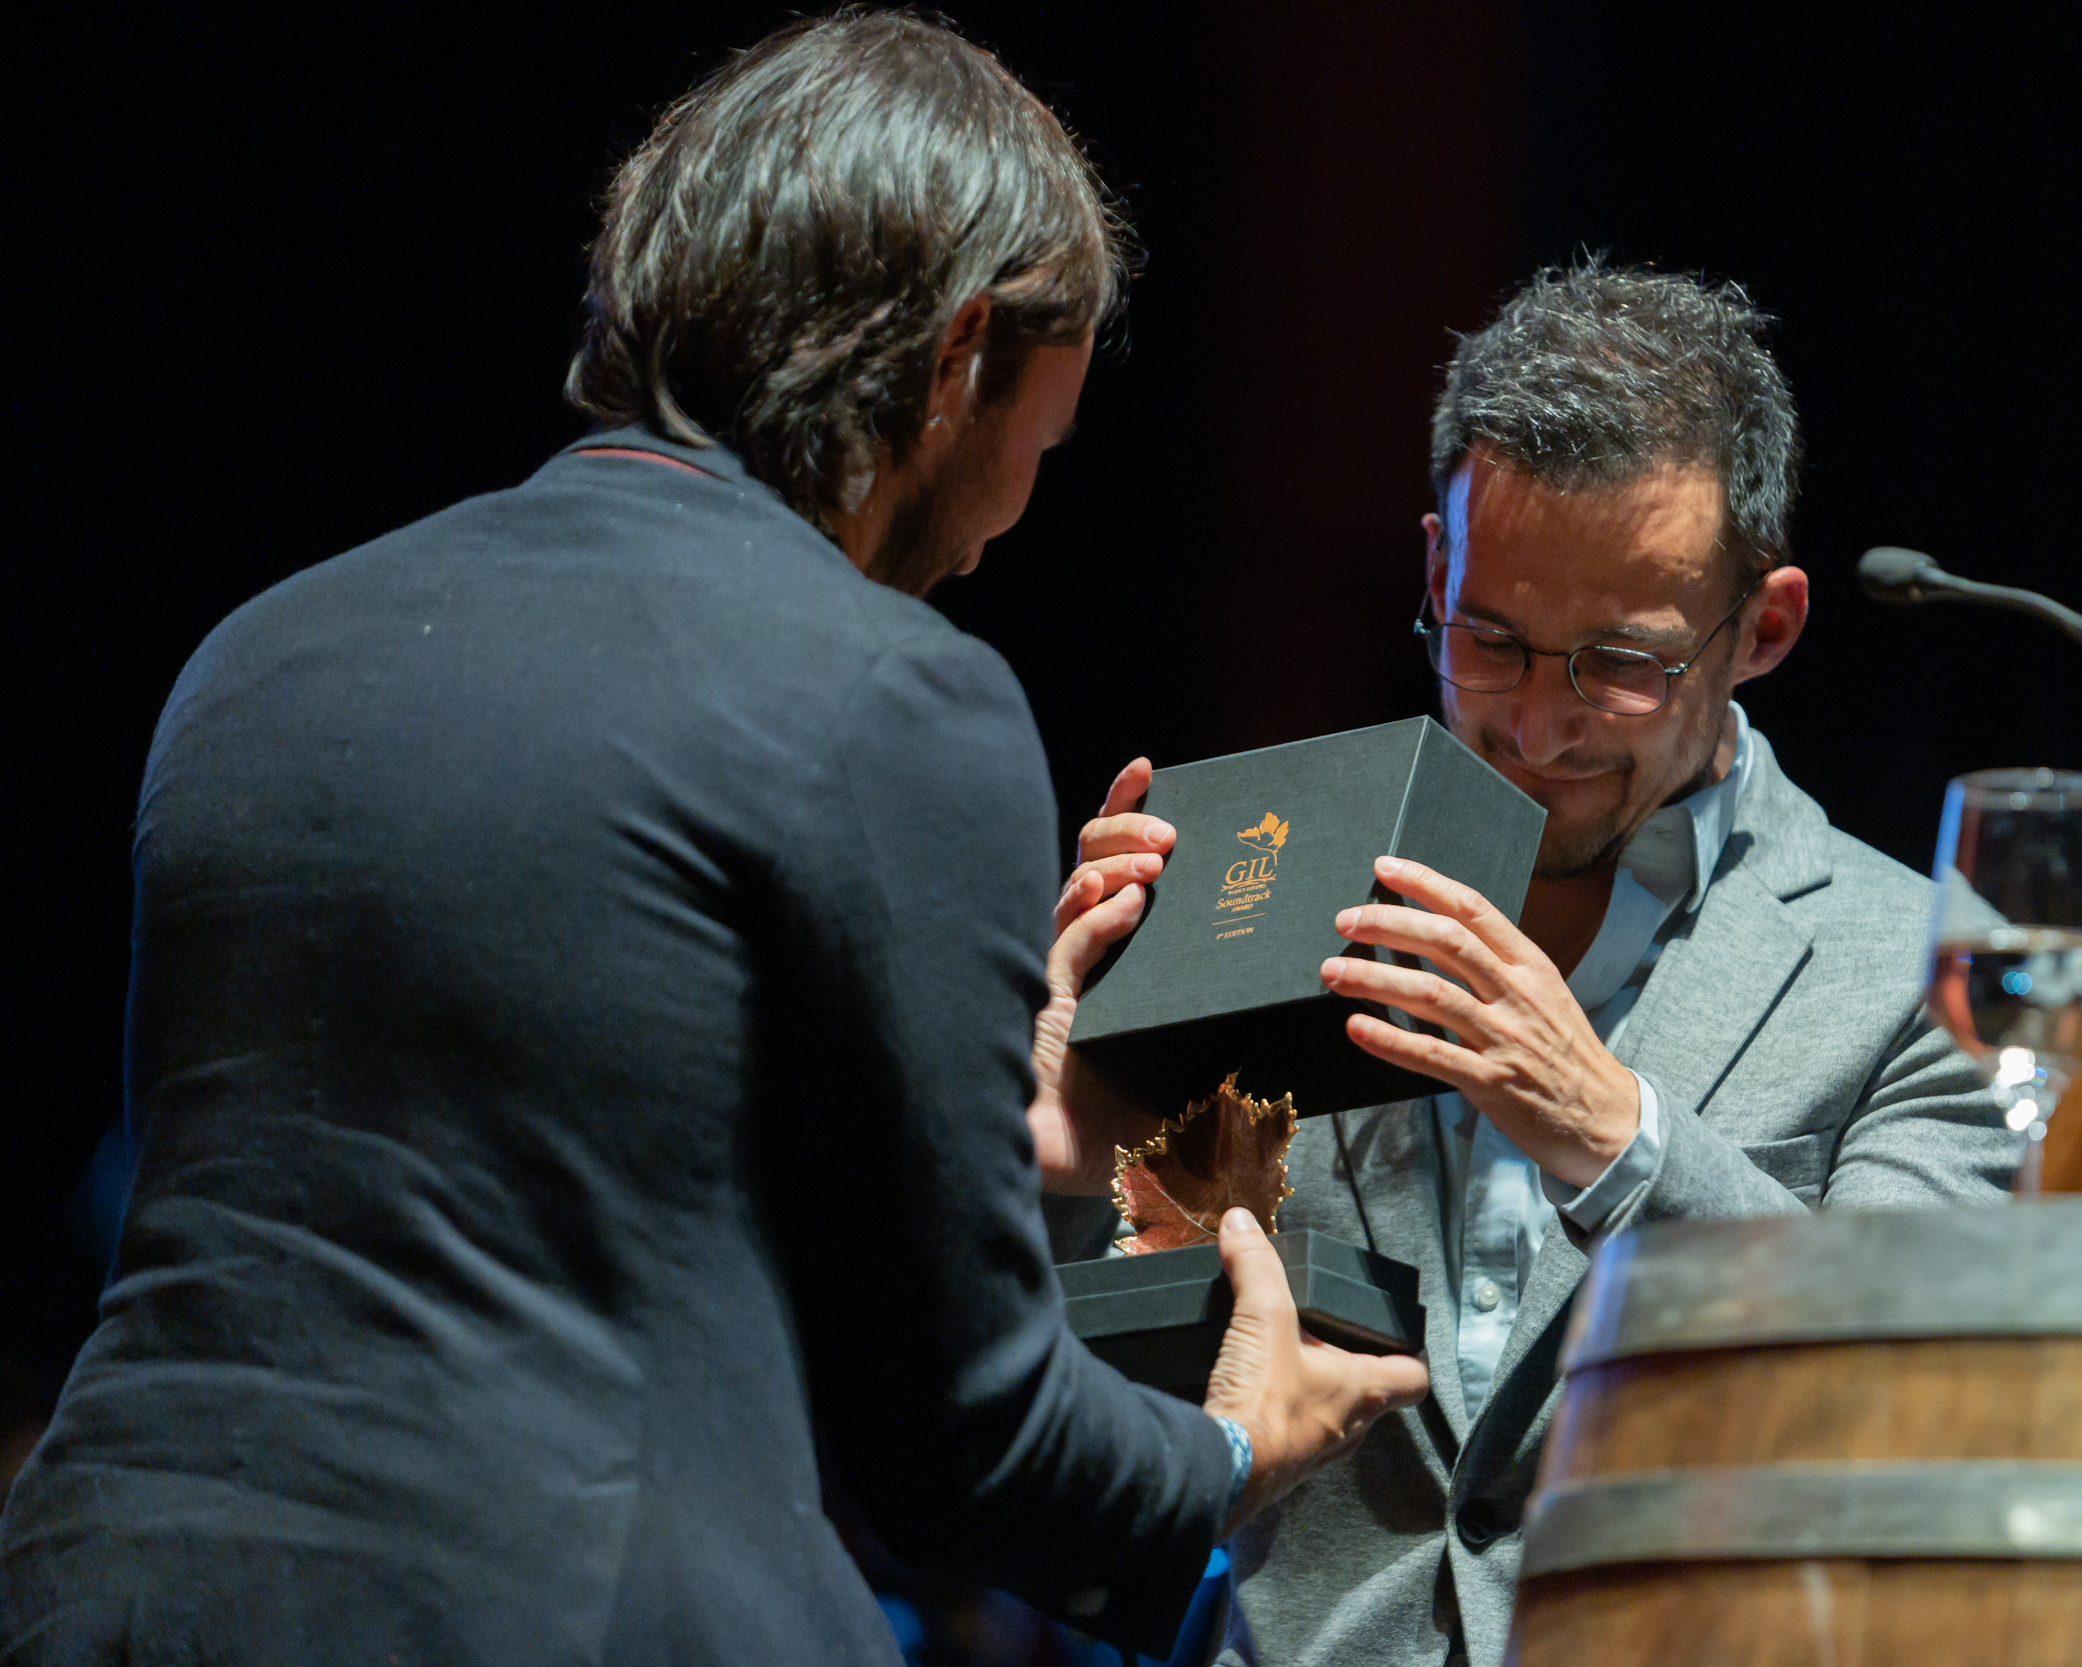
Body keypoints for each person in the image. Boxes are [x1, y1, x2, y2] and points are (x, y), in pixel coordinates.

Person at [0, 15, 1424, 1665]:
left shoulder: (260, 653)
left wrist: (984, 1110)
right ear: (959, 356)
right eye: (1043, 442)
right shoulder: (896, 694)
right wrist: (1230, 1443)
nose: (997, 535)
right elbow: (965, 1445)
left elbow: (514, 1216)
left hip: (103, 1601)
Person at [1063, 263, 2024, 1664]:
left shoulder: (1931, 969)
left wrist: (1618, 1137)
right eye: (1492, 641)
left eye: (1622, 665)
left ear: (1763, 629)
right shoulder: (1261, 876)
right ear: (1437, 572)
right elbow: (1049, 1409)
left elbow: (1916, 1393)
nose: (1537, 726)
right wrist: (1057, 1122)